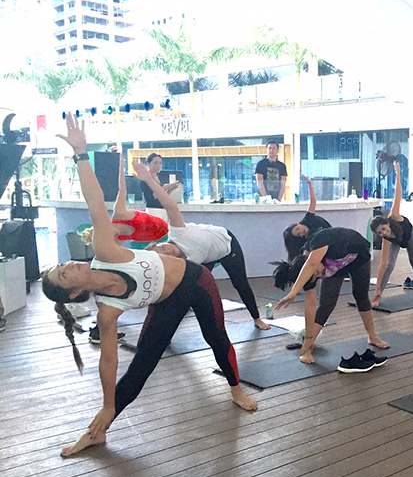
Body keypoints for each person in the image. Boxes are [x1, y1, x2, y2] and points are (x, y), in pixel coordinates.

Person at [43, 114, 257, 458]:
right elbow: (108, 362)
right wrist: (106, 405)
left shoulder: (105, 251)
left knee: (216, 336)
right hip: (167, 300)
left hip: (195, 279)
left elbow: (95, 201)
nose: (70, 265)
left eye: (63, 265)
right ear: (73, 293)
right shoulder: (108, 312)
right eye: (65, 274)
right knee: (142, 363)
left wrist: (81, 154)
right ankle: (99, 431)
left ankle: (235, 389)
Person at [134, 162, 272, 330]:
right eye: (162, 253)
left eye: (160, 246)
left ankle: (257, 318)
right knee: (187, 294)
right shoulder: (186, 265)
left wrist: (148, 178)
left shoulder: (177, 232)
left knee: (240, 284)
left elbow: (170, 205)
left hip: (227, 244)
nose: (165, 247)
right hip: (206, 257)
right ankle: (167, 331)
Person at [272, 226, 389, 366]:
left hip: (358, 257)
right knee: (326, 304)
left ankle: (372, 336)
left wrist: (293, 293)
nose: (319, 276)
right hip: (335, 265)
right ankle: (308, 346)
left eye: (316, 273)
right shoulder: (310, 273)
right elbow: (310, 308)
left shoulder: (318, 242)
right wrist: (306, 347)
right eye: (315, 276)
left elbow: (312, 263)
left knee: (361, 295)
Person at [371, 161, 413, 304]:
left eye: (384, 229)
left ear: (387, 223)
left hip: (410, 236)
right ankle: (379, 296)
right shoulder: (386, 239)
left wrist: (398, 175)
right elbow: (382, 265)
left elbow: (397, 195)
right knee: (389, 265)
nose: (383, 233)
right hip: (397, 241)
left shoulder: (394, 216)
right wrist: (377, 291)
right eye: (380, 233)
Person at [283, 175, 331, 259]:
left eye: (298, 228)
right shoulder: (308, 241)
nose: (301, 231)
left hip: (332, 235)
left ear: (298, 224)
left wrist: (310, 185)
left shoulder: (308, 219)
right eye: (298, 234)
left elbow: (313, 202)